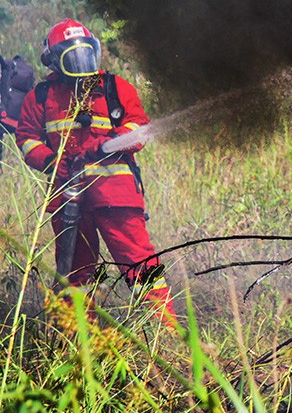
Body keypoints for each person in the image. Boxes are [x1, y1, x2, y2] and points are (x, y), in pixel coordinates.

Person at [15, 18, 176, 325]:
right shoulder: (41, 96)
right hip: (67, 196)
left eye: (84, 54)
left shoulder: (115, 87)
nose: (80, 63)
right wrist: (51, 161)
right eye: (71, 56)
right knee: (74, 276)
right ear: (53, 60)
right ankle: (79, 345)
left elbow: (138, 128)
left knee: (141, 266)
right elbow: (26, 139)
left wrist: (110, 144)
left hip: (115, 195)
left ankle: (165, 335)